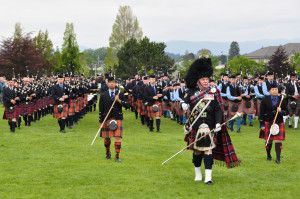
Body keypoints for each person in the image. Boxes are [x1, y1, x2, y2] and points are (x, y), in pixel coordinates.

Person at [181, 58, 241, 185]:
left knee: (208, 150)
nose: (206, 82)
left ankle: (208, 177)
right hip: (196, 125)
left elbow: (218, 109)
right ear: (198, 81)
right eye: (203, 80)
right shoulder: (191, 92)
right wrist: (183, 105)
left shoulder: (215, 92)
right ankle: (198, 173)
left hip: (209, 125)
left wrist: (218, 123)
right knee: (197, 150)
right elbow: (184, 101)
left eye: (207, 79)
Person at [99, 77, 129, 162]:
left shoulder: (120, 94)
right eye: (110, 82)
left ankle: (117, 156)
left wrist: (119, 100)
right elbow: (101, 110)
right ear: (108, 84)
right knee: (107, 138)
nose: (112, 84)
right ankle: (108, 153)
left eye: (113, 82)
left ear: (115, 84)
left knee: (117, 137)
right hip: (106, 118)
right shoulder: (103, 95)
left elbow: (127, 105)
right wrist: (101, 121)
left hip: (117, 117)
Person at [259, 83, 288, 164]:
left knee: (278, 140)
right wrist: (262, 124)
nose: (275, 91)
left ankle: (278, 158)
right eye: (273, 89)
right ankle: (268, 155)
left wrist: (281, 111)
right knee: (269, 141)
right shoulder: (265, 99)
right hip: (268, 121)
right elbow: (261, 113)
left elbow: (287, 112)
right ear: (269, 91)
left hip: (279, 122)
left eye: (276, 89)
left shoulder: (282, 99)